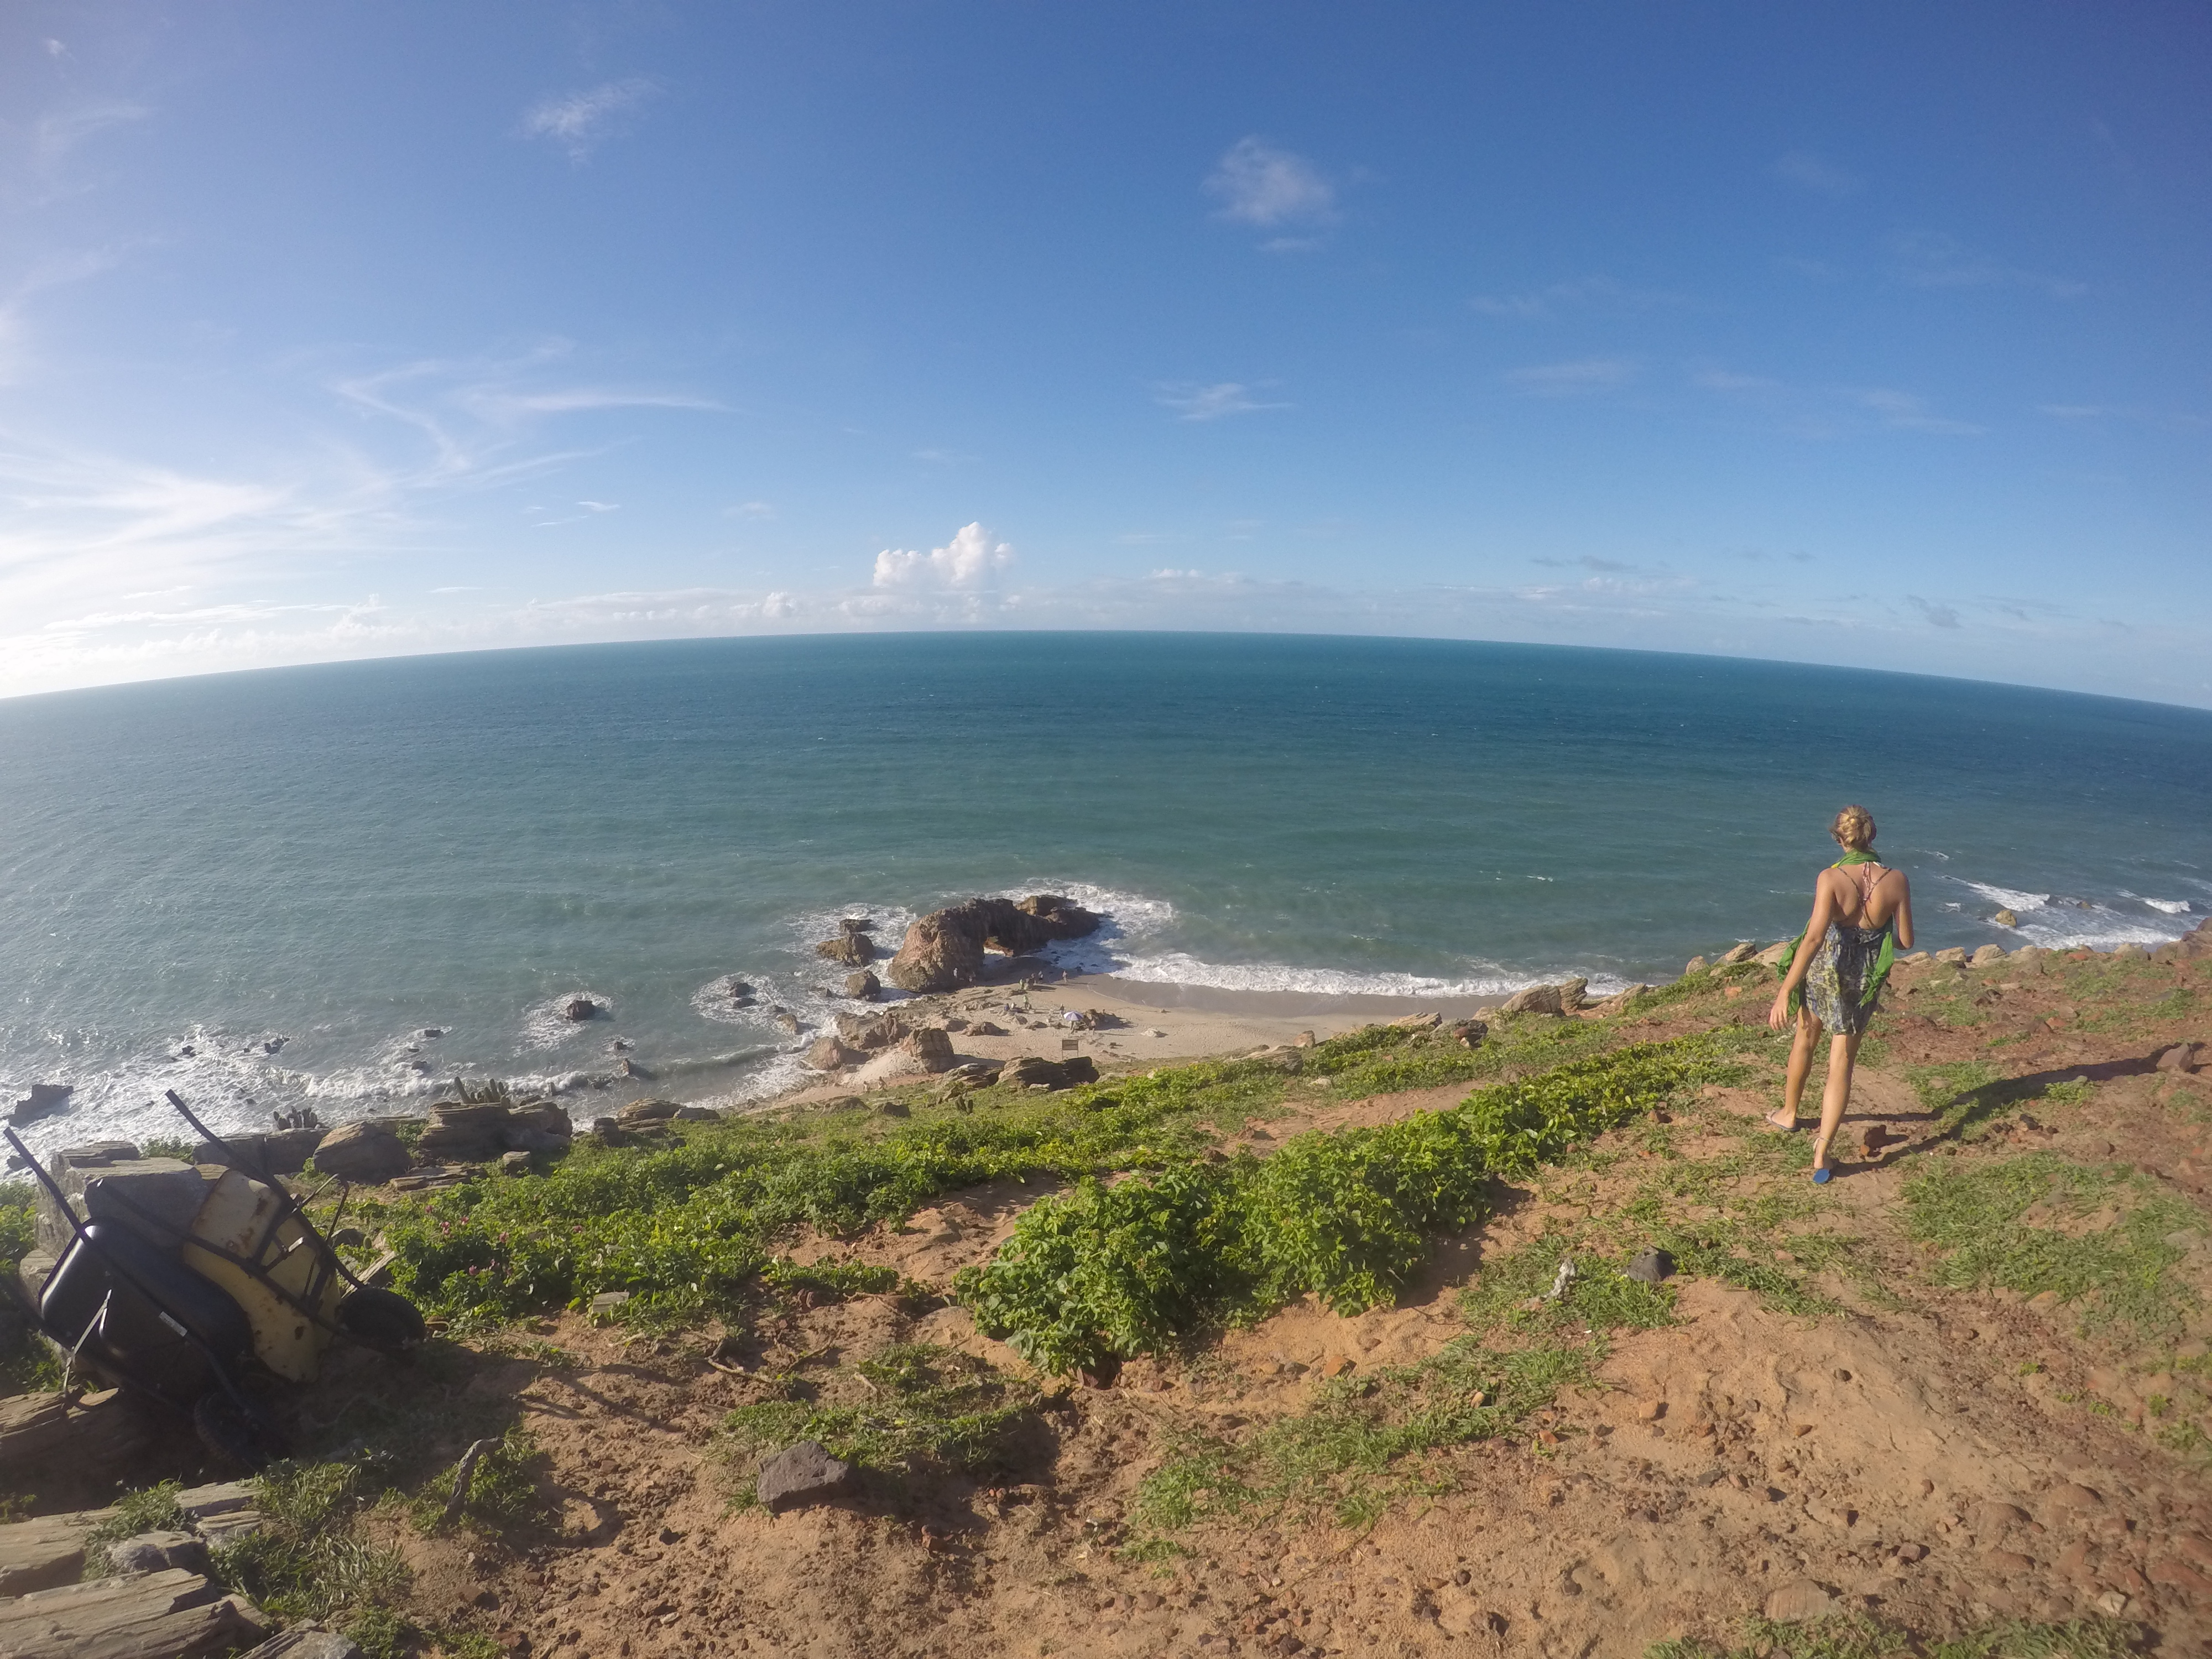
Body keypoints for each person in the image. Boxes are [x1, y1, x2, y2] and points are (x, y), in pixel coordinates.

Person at [1766, 805, 1914, 1182]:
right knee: (1841, 1063)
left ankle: (1788, 1113)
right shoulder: (1897, 880)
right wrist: (1877, 932)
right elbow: (1906, 941)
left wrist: (1785, 991)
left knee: (1805, 1039)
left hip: (1825, 970)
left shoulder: (1830, 878)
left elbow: (1815, 937)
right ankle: (1823, 1149)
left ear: (1839, 838)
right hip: (1862, 977)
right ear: (1873, 837)